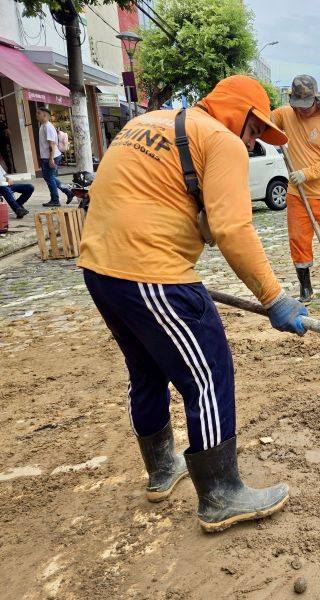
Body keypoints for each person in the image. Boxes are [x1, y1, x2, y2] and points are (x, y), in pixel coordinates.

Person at [77, 75, 308, 533]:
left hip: (100, 268)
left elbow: (146, 196)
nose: (254, 140)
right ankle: (221, 496)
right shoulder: (222, 140)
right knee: (208, 374)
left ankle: (163, 470)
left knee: (147, 369)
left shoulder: (149, 121)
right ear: (239, 114)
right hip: (152, 271)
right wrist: (275, 297)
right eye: (256, 129)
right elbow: (232, 229)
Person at [271, 75, 320, 302]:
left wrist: (306, 173)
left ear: (316, 99)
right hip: (296, 196)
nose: (301, 110)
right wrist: (273, 133)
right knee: (299, 241)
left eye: (306, 105)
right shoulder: (284, 114)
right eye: (297, 105)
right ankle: (305, 287)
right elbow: (263, 122)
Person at [36, 108, 73, 207]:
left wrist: (51, 159)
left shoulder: (48, 127)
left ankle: (55, 200)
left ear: (45, 115)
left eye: (39, 113)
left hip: (51, 156)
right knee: (49, 177)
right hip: (46, 157)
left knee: (50, 178)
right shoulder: (43, 126)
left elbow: (52, 145)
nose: (37, 115)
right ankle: (68, 191)